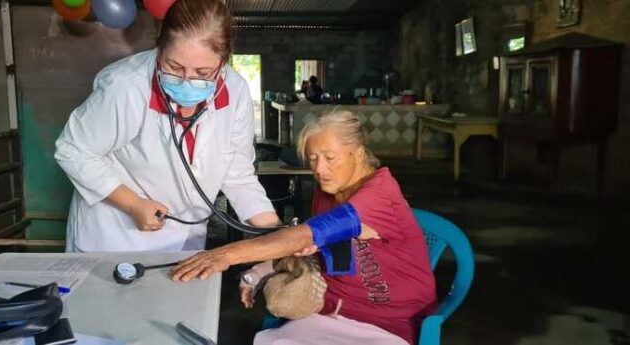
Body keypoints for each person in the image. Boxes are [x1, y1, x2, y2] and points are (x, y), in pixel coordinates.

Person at [170, 110, 436, 345]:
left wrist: (224, 255)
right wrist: (259, 270)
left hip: (389, 320)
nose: (320, 169)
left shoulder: (379, 194)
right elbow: (312, 250)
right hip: (331, 311)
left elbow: (306, 235)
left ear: (358, 153)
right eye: (313, 159)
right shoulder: (326, 194)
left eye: (330, 158)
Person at [55, 0, 281, 253]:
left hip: (186, 241)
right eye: (174, 66)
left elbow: (238, 174)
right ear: (160, 47)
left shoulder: (235, 91)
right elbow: (73, 149)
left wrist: (275, 235)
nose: (187, 80)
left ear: (224, 61)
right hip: (116, 237)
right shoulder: (128, 86)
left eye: (203, 72)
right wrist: (132, 204)